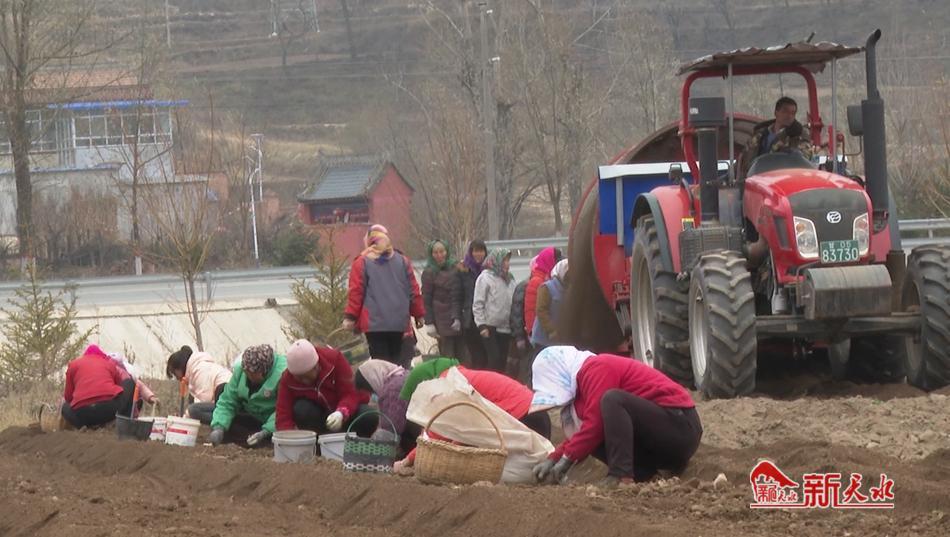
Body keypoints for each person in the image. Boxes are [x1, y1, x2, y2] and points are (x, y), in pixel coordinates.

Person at [530, 346, 702, 489]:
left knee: (612, 400)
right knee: (594, 431)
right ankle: (642, 473)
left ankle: (621, 476)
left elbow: (595, 424)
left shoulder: (597, 368)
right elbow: (584, 432)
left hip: (681, 426)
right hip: (663, 440)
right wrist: (554, 458)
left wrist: (566, 460)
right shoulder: (581, 390)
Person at [394, 357, 552, 474]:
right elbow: (457, 430)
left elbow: (438, 432)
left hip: (525, 419)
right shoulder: (460, 377)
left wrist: (407, 461)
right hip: (537, 415)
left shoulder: (448, 385)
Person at [344, 224, 425, 363]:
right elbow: (413, 290)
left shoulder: (362, 262)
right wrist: (419, 314)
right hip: (399, 322)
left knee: (381, 366)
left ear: (369, 240)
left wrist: (350, 317)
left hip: (374, 324)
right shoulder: (402, 261)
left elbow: (356, 292)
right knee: (398, 365)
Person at [275, 339, 376, 437]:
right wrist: (286, 437)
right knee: (301, 408)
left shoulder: (335, 359)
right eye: (299, 378)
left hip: (345, 413)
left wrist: (342, 412)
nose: (304, 381)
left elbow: (350, 392)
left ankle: (355, 444)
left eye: (306, 376)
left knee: (368, 415)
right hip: (319, 420)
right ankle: (318, 444)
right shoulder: (287, 379)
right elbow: (283, 413)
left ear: (316, 366)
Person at [61, 344, 157, 429]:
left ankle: (84, 427)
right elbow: (120, 388)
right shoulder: (109, 364)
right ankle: (123, 424)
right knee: (130, 383)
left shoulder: (73, 365)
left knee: (65, 407)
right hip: (108, 410)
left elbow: (68, 397)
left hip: (83, 415)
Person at [209, 344, 286, 448]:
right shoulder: (241, 372)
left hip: (273, 420)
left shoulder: (283, 375)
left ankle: (264, 440)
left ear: (263, 371)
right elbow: (227, 401)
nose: (248, 376)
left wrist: (266, 431)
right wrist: (219, 427)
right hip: (251, 414)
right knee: (221, 390)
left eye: (252, 373)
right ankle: (246, 438)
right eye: (246, 372)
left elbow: (284, 409)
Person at [355, 359, 419, 454]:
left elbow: (390, 430)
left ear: (372, 381)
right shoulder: (403, 375)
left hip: (418, 436)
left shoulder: (392, 390)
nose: (372, 395)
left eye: (370, 391)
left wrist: (369, 451)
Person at [743, 96, 814, 175]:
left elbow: (805, 158)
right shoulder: (759, 134)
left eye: (793, 113)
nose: (789, 116)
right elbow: (745, 158)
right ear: (776, 112)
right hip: (757, 176)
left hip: (783, 177)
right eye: (785, 112)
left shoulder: (799, 135)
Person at [473, 249, 517, 373]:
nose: (507, 263)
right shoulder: (485, 277)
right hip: (490, 327)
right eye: (504, 260)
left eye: (508, 260)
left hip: (506, 327)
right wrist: (481, 325)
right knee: (494, 360)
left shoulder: (510, 279)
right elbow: (478, 303)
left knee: (503, 362)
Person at [165, 345, 233, 425]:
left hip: (229, 404)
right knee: (193, 409)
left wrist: (184, 419)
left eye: (174, 373)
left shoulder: (200, 369)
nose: (176, 377)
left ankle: (227, 422)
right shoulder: (196, 370)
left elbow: (204, 399)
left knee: (194, 410)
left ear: (179, 367)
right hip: (223, 403)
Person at [421, 239, 463, 359]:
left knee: (463, 357)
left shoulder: (456, 268)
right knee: (447, 356)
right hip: (441, 320)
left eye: (442, 251)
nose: (439, 255)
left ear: (447, 251)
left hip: (459, 318)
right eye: (435, 252)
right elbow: (426, 299)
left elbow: (459, 294)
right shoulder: (429, 272)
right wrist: (429, 322)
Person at [459, 239, 488, 367]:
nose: (479, 254)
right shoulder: (463, 270)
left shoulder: (489, 270)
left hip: (486, 319)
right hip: (469, 319)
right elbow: (457, 295)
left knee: (486, 355)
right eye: (476, 251)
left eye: (481, 251)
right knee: (475, 355)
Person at [523, 247, 560, 344]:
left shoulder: (547, 278)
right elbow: (530, 308)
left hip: (545, 332)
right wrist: (531, 332)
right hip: (538, 335)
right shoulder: (537, 281)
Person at [530, 259, 569, 350]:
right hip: (543, 338)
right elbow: (541, 311)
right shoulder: (547, 287)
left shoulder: (568, 290)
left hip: (559, 340)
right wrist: (551, 330)